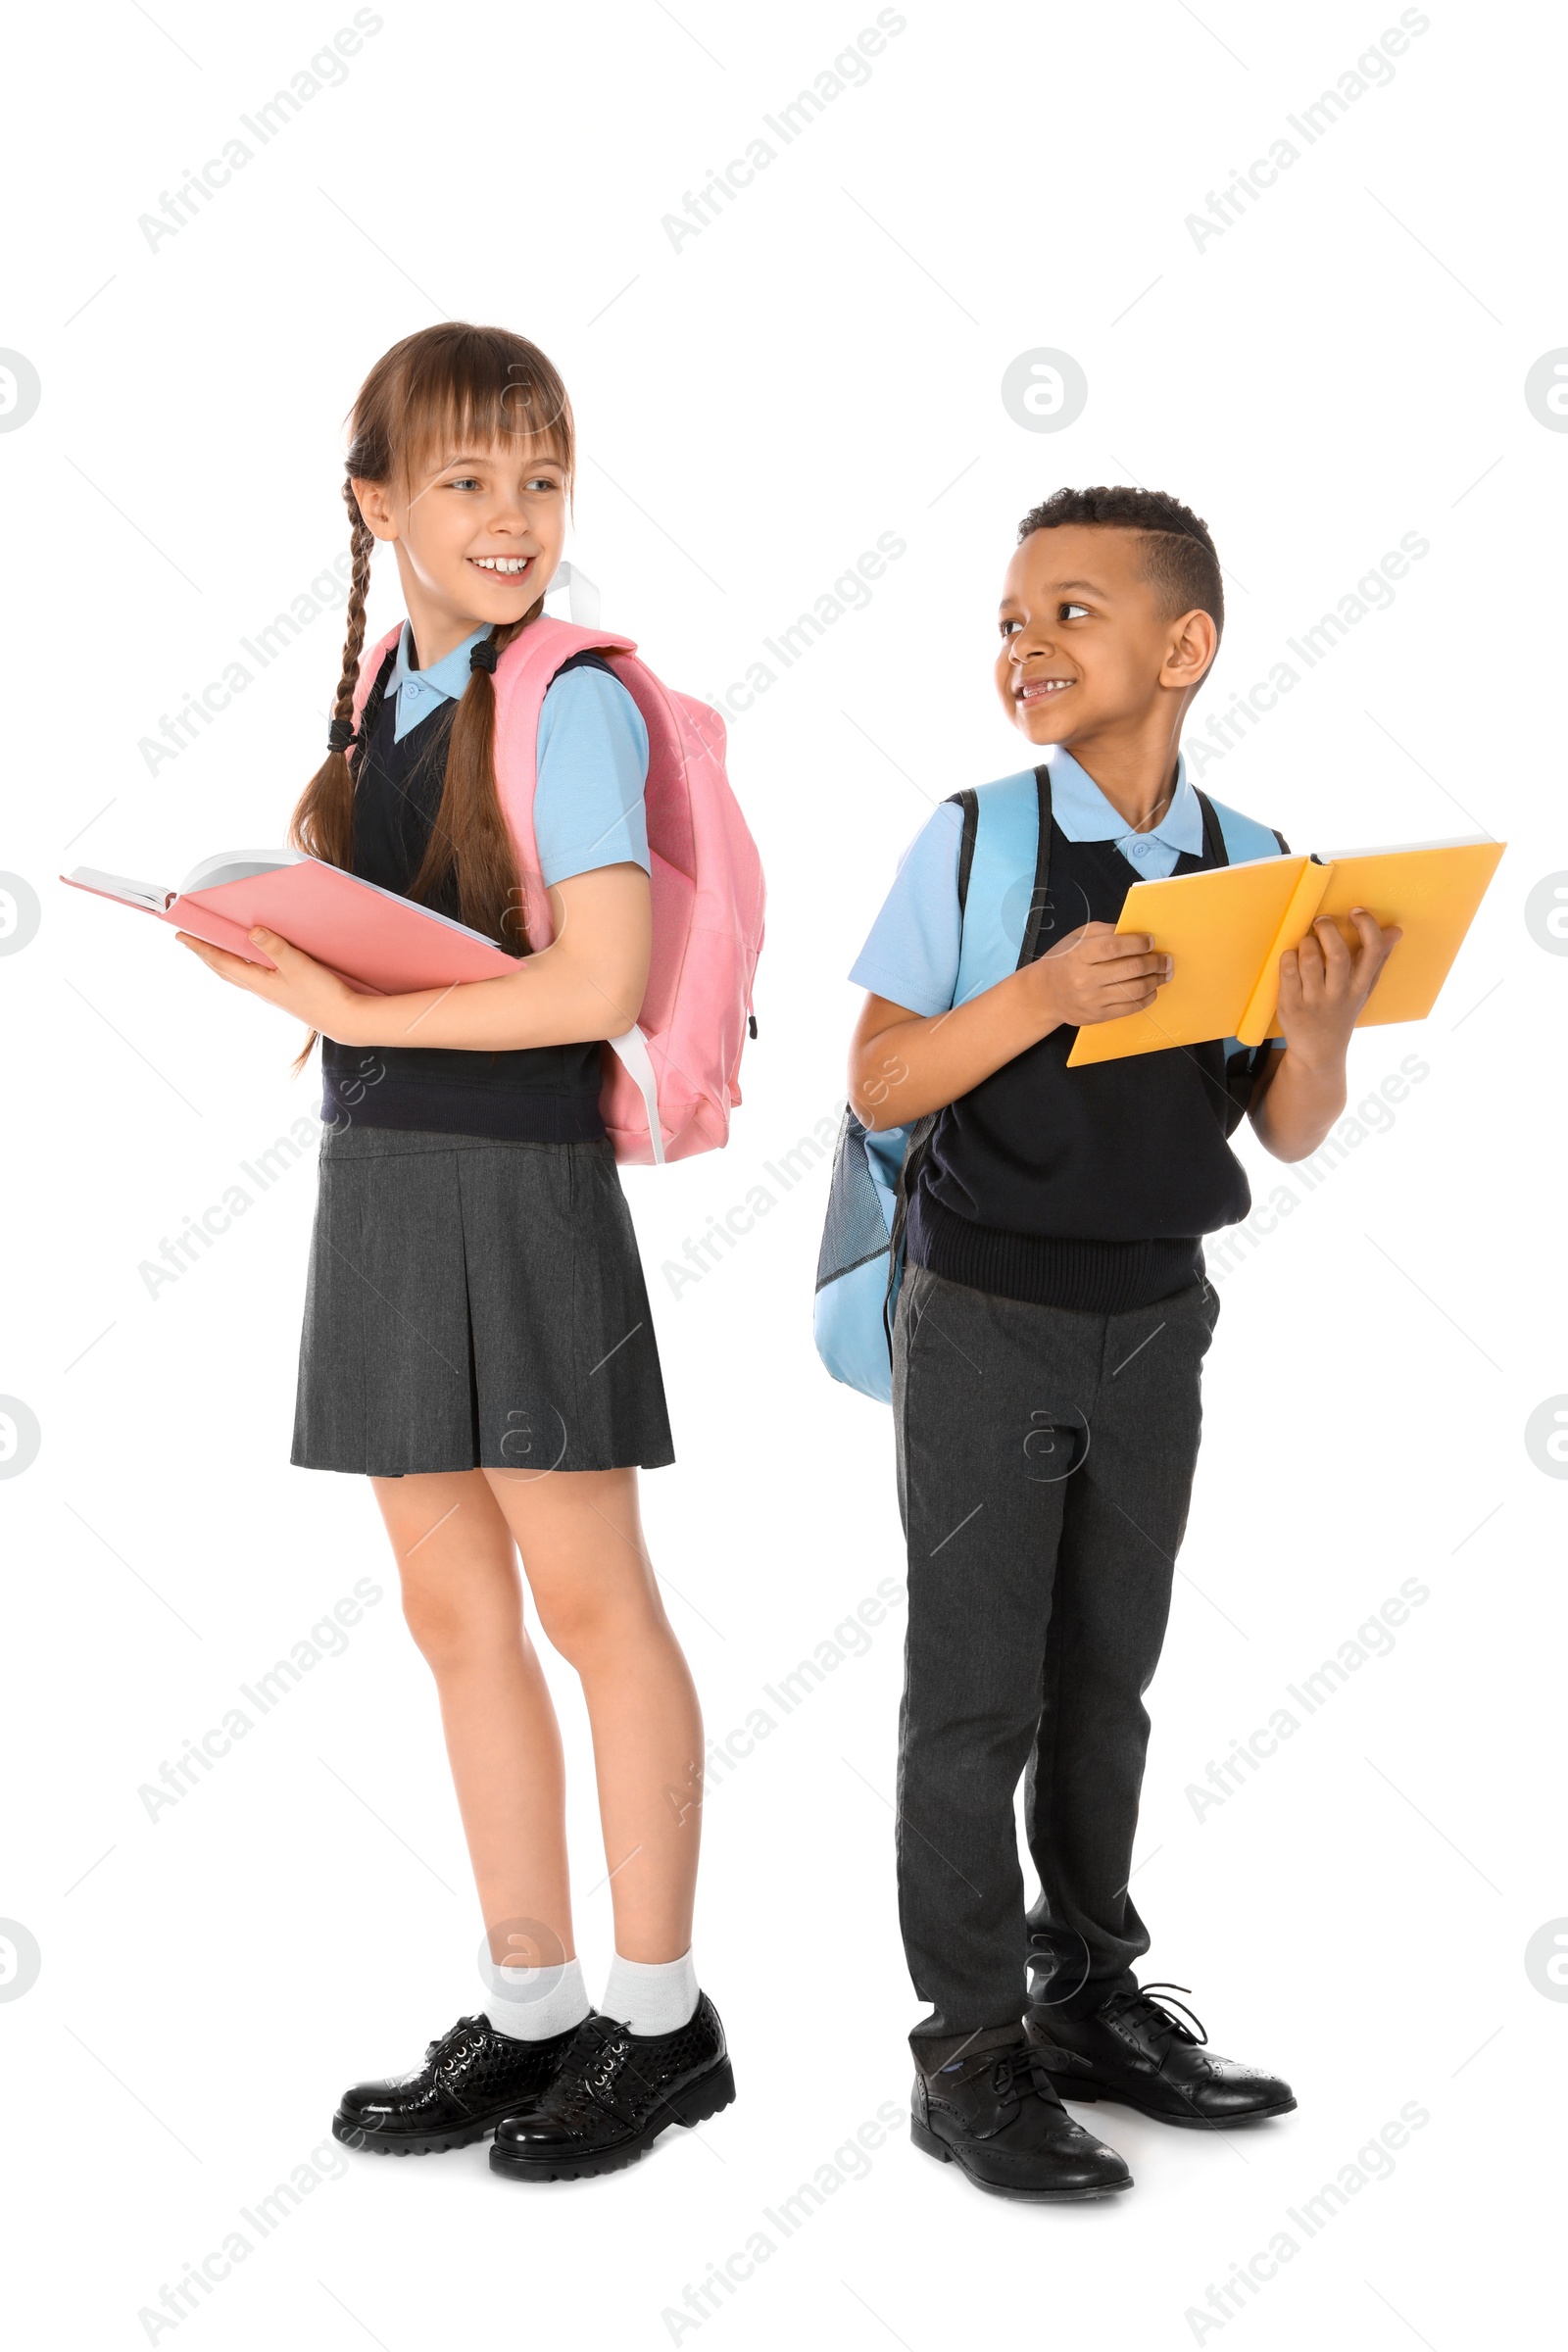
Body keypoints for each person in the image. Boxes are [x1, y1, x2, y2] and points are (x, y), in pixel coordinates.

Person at [178, 323, 732, 2181]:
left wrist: (339, 989)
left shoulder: (558, 695)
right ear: (379, 505)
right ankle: (532, 2013)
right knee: (451, 1616)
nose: (513, 517)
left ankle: (662, 2028)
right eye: (469, 481)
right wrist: (286, 960)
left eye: (542, 478)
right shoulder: (380, 709)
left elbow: (599, 984)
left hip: (519, 1188)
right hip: (388, 1185)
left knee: (592, 1607)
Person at [845, 485, 1399, 2200]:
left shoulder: (1252, 865)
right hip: (988, 1318)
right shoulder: (972, 843)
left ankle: (1089, 1996)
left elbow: (1283, 1131)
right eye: (1014, 615)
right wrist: (1036, 997)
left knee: (1107, 1687)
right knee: (974, 1700)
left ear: (1185, 648)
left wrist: (1321, 1035)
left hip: (1158, 1321)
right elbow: (878, 1080)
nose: (1027, 641)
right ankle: (971, 2048)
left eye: (1071, 611)